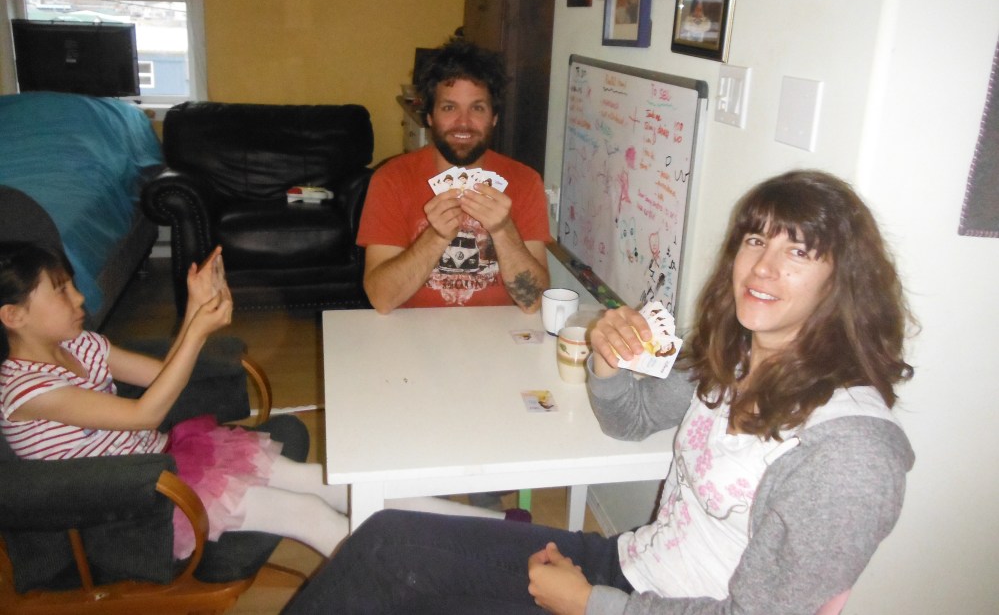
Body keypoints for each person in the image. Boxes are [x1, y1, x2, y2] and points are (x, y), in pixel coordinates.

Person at [281, 170, 916, 614]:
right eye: (756, 240)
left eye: (799, 252)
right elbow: (631, 421)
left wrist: (590, 604)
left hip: (634, 602)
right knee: (387, 543)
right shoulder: (738, 353)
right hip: (626, 568)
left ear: (844, 282)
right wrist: (607, 364)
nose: (764, 267)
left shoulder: (850, 456)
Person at [0, 244, 502, 563]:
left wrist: (195, 314)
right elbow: (144, 412)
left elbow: (162, 378)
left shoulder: (84, 345)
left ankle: (497, 533)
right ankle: (418, 588)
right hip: (132, 501)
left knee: (326, 480)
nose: (79, 297)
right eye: (61, 291)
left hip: (171, 461)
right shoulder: (25, 390)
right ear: (13, 315)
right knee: (311, 515)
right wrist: (195, 329)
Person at [357, 38, 551, 313]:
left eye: (477, 108)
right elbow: (381, 299)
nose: (463, 122)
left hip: (497, 339)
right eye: (449, 107)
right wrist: (435, 237)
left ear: (494, 117)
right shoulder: (391, 179)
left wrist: (502, 230)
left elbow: (535, 302)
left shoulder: (525, 181)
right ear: (429, 117)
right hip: (413, 337)